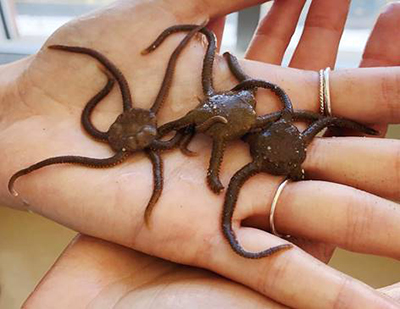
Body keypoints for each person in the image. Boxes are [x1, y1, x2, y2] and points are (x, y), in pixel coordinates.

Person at [0, 0, 399, 307]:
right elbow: (216, 141)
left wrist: (15, 106)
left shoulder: (231, 118)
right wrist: (17, 104)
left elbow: (230, 137)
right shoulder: (202, 123)